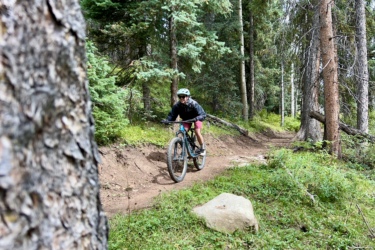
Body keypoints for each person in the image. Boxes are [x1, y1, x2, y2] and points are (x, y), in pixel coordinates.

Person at [163, 88, 206, 155]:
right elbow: (172, 115)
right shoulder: (177, 106)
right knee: (182, 132)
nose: (181, 98)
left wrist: (197, 118)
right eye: (180, 96)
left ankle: (202, 148)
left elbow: (203, 114)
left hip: (197, 118)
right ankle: (186, 149)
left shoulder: (194, 104)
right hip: (186, 120)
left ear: (188, 97)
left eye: (183, 96)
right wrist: (167, 121)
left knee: (197, 131)